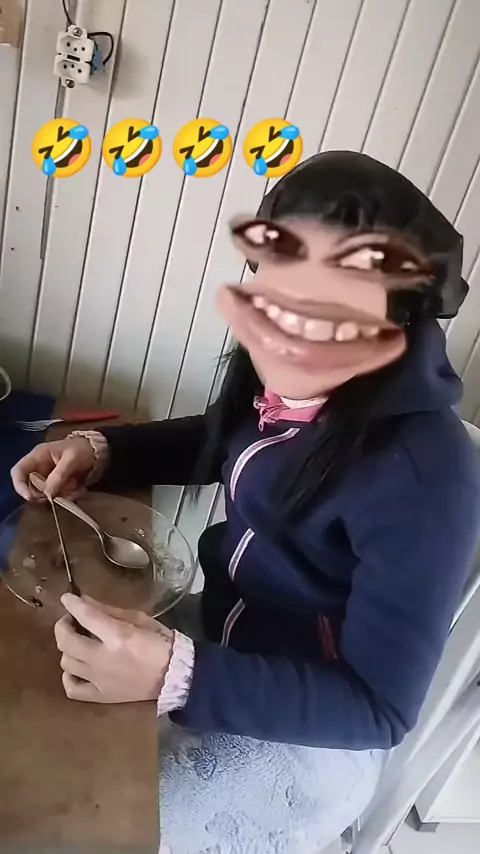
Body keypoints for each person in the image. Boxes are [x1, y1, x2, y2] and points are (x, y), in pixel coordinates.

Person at [11, 151, 480, 854]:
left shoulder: (426, 478)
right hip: (225, 639)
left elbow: (377, 708)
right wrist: (106, 452)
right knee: (36, 703)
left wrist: (175, 674)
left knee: (82, 828)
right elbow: (221, 439)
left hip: (311, 735)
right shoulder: (289, 379)